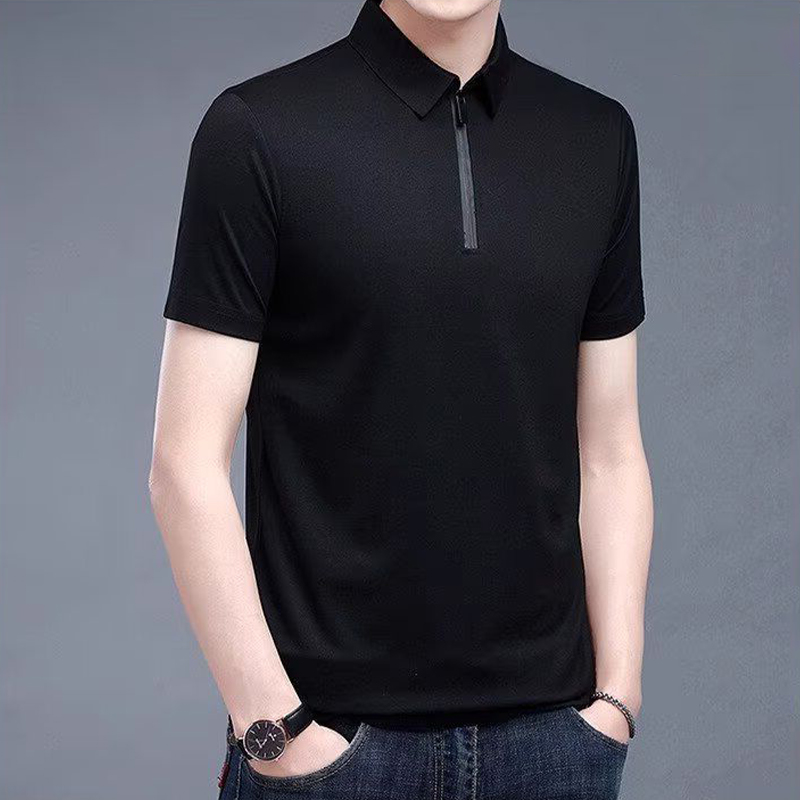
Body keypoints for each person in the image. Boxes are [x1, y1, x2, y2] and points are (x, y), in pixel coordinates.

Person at [149, 0, 653, 797]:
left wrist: (617, 699)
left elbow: (611, 451)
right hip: (330, 747)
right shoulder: (257, 130)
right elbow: (183, 464)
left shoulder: (596, 137)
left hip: (555, 746)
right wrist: (274, 728)